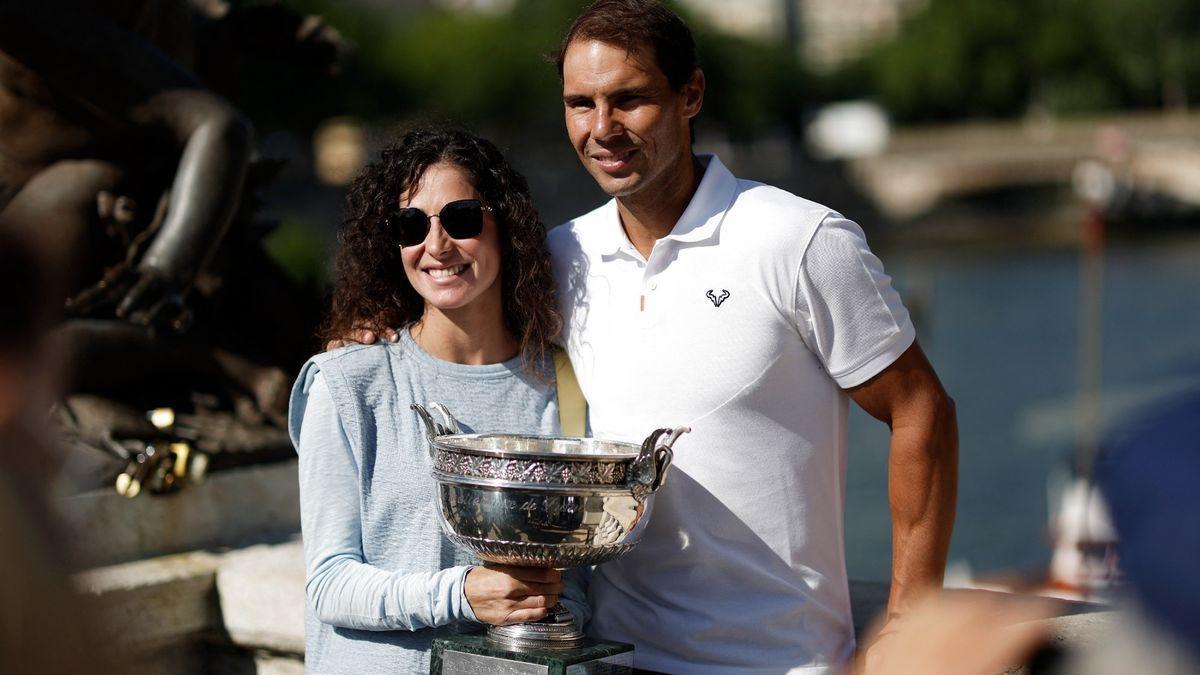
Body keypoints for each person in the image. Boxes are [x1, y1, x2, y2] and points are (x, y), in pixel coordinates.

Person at [545, 1, 959, 672]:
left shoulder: (799, 239)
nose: (602, 129)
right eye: (579, 103)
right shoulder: (564, 254)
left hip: (778, 661)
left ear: (692, 95)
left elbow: (921, 410)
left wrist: (913, 614)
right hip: (615, 658)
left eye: (629, 100)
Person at [288, 128, 588, 673]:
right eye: (411, 226)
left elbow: (580, 584)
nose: (437, 245)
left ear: (507, 226)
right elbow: (329, 583)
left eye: (462, 219)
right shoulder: (347, 383)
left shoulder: (562, 388)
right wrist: (462, 594)